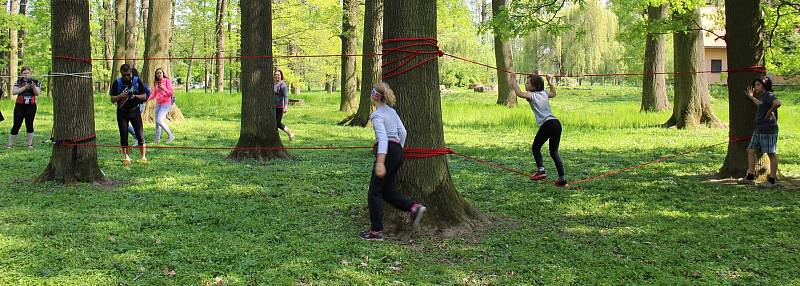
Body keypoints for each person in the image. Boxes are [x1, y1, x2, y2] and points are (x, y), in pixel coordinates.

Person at [359, 82, 427, 241]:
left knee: (374, 192)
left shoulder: (376, 115)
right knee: (388, 192)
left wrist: (381, 162)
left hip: (387, 152)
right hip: (397, 151)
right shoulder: (392, 112)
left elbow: (382, 138)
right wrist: (398, 151)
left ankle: (375, 232)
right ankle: (414, 208)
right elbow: (403, 132)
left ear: (375, 96)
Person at [510, 72, 568, 187]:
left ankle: (541, 170)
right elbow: (553, 93)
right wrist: (550, 82)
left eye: (527, 83)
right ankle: (562, 180)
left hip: (547, 124)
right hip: (556, 123)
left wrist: (513, 79)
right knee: (554, 152)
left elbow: (519, 93)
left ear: (534, 86)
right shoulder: (544, 93)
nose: (525, 84)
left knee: (535, 148)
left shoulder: (532, 95)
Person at [739, 76, 782, 187]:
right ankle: (750, 176)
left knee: (771, 154)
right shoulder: (763, 97)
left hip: (768, 129)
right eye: (755, 85)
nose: (755, 87)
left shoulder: (769, 95)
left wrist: (770, 111)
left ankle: (772, 180)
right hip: (759, 129)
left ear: (765, 86)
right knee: (751, 150)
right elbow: (760, 104)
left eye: (758, 85)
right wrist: (751, 97)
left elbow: (778, 103)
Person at [110, 64, 149, 165]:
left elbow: (144, 96)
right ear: (121, 74)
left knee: (140, 135)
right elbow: (112, 99)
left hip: (134, 111)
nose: (127, 77)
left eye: (128, 75)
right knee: (123, 136)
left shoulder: (136, 81)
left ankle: (143, 157)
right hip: (122, 112)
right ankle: (127, 157)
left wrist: (135, 96)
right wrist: (121, 95)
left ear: (131, 73)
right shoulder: (117, 83)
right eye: (124, 75)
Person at [6, 66, 41, 149]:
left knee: (29, 124)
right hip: (19, 106)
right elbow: (14, 92)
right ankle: (9, 144)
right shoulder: (18, 81)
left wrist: (33, 86)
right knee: (16, 124)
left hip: (31, 106)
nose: (26, 74)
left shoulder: (35, 81)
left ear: (30, 73)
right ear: (21, 74)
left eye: (27, 73)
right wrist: (24, 87)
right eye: (24, 73)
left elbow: (37, 93)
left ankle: (29, 144)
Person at [147, 68, 175, 144]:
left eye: (160, 73)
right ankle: (157, 140)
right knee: (157, 122)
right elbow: (154, 94)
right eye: (157, 73)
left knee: (159, 120)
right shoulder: (156, 83)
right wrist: (147, 100)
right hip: (159, 104)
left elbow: (171, 93)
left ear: (163, 73)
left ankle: (170, 135)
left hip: (166, 103)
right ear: (156, 75)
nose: (159, 74)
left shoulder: (167, 81)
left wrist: (164, 88)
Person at [126, 68, 150, 146]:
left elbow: (146, 94)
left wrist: (137, 98)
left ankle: (139, 139)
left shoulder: (136, 82)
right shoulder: (130, 83)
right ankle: (138, 139)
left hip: (138, 106)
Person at [274, 69, 295, 140]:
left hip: (280, 107)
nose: (277, 76)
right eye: (275, 75)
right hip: (273, 107)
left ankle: (290, 134)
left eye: (278, 75)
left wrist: (285, 107)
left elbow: (286, 96)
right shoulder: (274, 84)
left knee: (277, 123)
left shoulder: (283, 85)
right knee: (274, 123)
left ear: (281, 76)